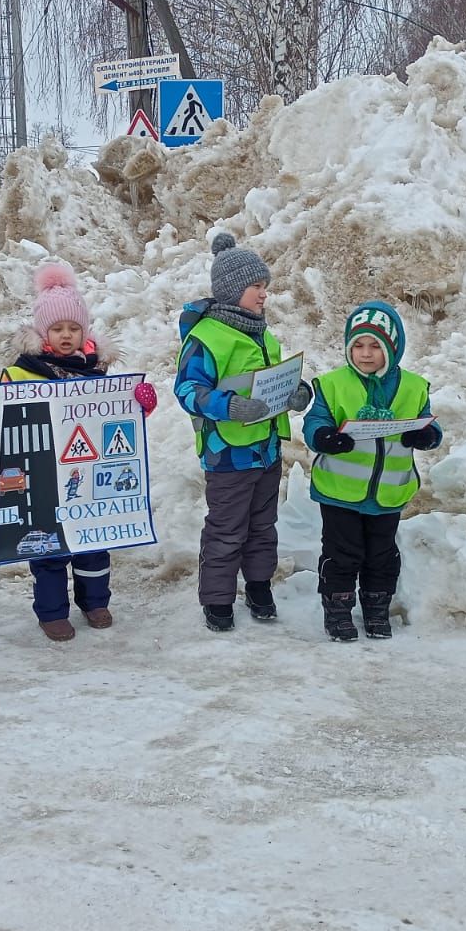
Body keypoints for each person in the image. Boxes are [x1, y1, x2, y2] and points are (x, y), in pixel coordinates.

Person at [1, 261, 157, 641]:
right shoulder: (21, 372)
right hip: (41, 474)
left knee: (93, 541)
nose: (66, 336)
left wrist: (140, 405)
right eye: (57, 329)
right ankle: (52, 611)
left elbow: (115, 417)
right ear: (43, 332)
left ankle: (95, 601)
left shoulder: (96, 370)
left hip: (88, 474)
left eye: (74, 328)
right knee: (49, 544)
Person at [176, 231, 312, 632]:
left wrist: (294, 393)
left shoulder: (261, 331)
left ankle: (258, 587)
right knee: (225, 530)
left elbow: (270, 381)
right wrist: (228, 406)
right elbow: (187, 390)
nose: (263, 294)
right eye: (256, 286)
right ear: (233, 289)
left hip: (266, 450)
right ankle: (217, 599)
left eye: (265, 287)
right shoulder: (206, 337)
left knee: (262, 526)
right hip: (228, 453)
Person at [302, 301, 441, 641]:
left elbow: (431, 427)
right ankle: (337, 611)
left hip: (389, 492)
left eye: (375, 346)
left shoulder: (413, 386)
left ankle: (376, 608)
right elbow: (314, 422)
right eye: (358, 345)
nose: (365, 354)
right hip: (340, 491)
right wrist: (324, 437)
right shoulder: (333, 384)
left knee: (382, 554)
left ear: (393, 348)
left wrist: (425, 436)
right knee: (342, 553)